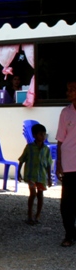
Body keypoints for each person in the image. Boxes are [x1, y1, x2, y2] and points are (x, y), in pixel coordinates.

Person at [18, 123, 53, 225]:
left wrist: (49, 178)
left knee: (40, 195)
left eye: (44, 134)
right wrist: (18, 172)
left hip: (41, 176)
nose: (43, 136)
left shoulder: (46, 149)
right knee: (32, 194)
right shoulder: (29, 147)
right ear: (34, 135)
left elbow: (49, 164)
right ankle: (29, 215)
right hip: (31, 175)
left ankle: (37, 216)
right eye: (40, 134)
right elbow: (22, 160)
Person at [56, 80, 76, 247]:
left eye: (72, 89)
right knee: (67, 204)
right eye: (68, 89)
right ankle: (69, 234)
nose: (68, 92)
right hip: (69, 164)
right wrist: (58, 163)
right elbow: (60, 140)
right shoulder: (65, 112)